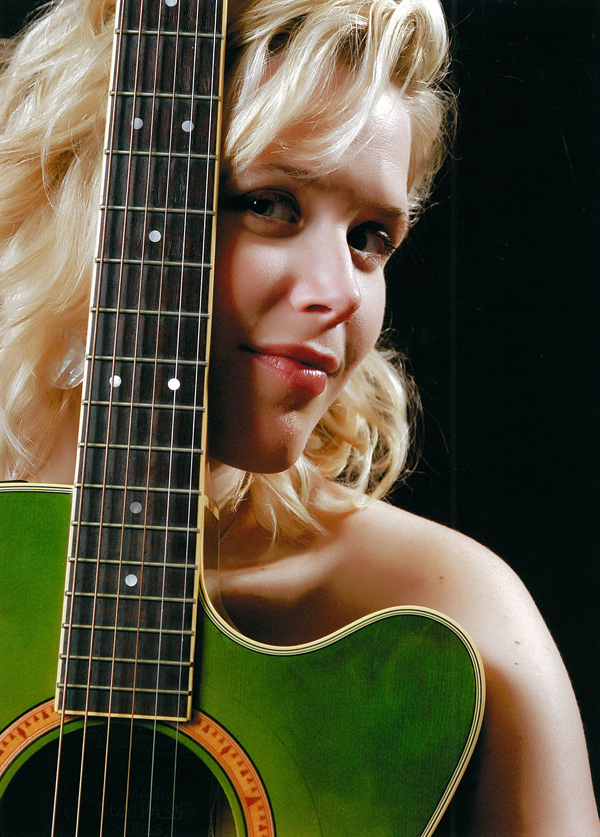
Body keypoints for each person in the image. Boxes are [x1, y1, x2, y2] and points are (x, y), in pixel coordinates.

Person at [0, 0, 598, 833]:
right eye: (270, 204)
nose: (338, 292)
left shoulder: (463, 614)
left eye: (370, 236)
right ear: (101, 195)